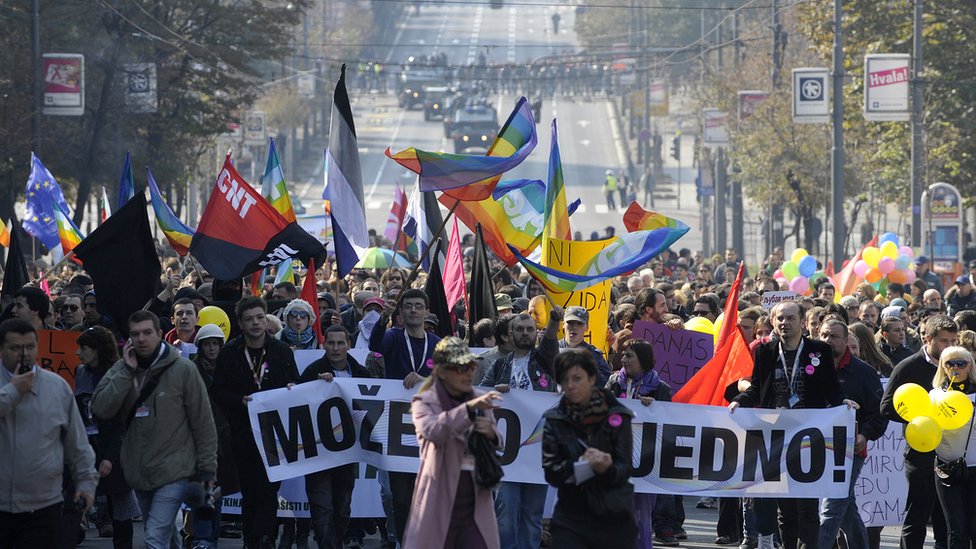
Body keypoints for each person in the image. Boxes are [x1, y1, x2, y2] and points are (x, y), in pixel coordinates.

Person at [730, 301, 854, 549]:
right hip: (774, 435)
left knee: (807, 504)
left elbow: (831, 388)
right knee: (784, 507)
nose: (784, 323)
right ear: (773, 322)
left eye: (790, 318)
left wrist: (843, 402)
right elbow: (757, 388)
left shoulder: (818, 350)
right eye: (780, 319)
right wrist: (740, 400)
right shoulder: (765, 352)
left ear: (802, 322)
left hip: (808, 436)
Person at [91, 310, 218, 549]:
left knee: (153, 537)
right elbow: (100, 407)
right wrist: (127, 372)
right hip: (139, 470)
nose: (141, 339)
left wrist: (208, 471)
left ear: (159, 334)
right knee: (163, 531)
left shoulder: (183, 370)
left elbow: (203, 422)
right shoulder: (122, 369)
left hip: (175, 469)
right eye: (135, 334)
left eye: (147, 333)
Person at [212, 296, 300, 549]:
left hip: (276, 433)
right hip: (243, 433)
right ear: (240, 323)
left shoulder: (281, 351)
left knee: (270, 489)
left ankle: (264, 538)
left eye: (260, 317)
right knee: (251, 491)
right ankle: (254, 539)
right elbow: (218, 391)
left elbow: (294, 382)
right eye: (249, 319)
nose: (256, 323)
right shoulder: (230, 353)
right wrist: (239, 400)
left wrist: (293, 387)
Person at [0, 319, 97, 548]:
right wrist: (12, 392)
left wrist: (85, 483)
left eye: (30, 347)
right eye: (15, 348)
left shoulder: (57, 387)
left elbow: (77, 443)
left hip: (43, 504)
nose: (24, 354)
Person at [405, 337, 502, 549]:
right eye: (460, 368)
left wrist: (492, 435)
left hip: (477, 500)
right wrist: (468, 410)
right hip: (438, 500)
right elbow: (434, 432)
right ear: (441, 371)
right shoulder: (423, 401)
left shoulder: (479, 399)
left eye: (471, 366)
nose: (468, 373)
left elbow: (497, 439)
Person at [480, 310, 562, 549]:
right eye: (520, 329)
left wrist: (554, 322)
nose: (525, 333)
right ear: (509, 334)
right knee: (505, 513)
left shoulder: (545, 361)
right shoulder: (498, 366)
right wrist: (495, 389)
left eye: (530, 329)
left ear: (536, 333)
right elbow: (480, 395)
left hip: (537, 452)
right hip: (507, 454)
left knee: (532, 515)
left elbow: (549, 345)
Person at [542, 349, 637, 548]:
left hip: (613, 515)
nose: (570, 385)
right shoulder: (555, 419)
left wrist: (606, 469)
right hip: (570, 518)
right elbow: (552, 472)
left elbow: (624, 468)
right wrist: (582, 466)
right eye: (564, 380)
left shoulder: (619, 415)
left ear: (592, 378)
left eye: (577, 378)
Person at [369, 288, 441, 545]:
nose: (413, 310)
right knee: (400, 497)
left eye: (417, 306)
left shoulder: (437, 343)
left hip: (426, 428)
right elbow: (376, 346)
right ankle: (403, 541)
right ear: (400, 312)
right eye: (408, 306)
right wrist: (382, 319)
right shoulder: (394, 337)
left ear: (426, 311)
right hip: (397, 428)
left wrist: (427, 379)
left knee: (425, 494)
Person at [881, 314, 957, 549]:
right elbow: (886, 407)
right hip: (920, 452)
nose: (950, 347)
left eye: (954, 341)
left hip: (951, 452)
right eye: (944, 341)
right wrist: (918, 415)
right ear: (927, 338)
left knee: (948, 520)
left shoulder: (958, 366)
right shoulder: (909, 366)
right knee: (918, 515)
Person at [298, 325, 372, 548]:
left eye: (341, 343)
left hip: (347, 454)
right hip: (318, 454)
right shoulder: (312, 372)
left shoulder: (362, 373)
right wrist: (312, 386)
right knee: (321, 508)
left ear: (349, 345)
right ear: (324, 344)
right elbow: (295, 401)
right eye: (331, 343)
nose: (336, 348)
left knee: (341, 509)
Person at [816, 319, 885, 549]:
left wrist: (864, 436)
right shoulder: (811, 369)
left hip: (849, 452)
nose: (828, 340)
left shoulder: (863, 373)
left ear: (847, 341)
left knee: (832, 507)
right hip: (815, 448)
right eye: (824, 334)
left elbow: (879, 414)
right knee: (847, 510)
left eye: (834, 336)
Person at [75, 326, 140, 547]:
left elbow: (121, 421)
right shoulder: (81, 373)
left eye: (83, 348)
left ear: (97, 349)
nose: (78, 353)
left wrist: (111, 456)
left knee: (120, 504)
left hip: (115, 447)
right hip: (88, 445)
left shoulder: (118, 372)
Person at [606, 338, 672, 549]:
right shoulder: (614, 382)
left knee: (641, 516)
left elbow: (670, 422)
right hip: (616, 459)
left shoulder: (661, 389)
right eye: (623, 354)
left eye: (629, 355)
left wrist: (655, 408)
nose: (623, 359)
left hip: (645, 462)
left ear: (643, 360)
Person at [931, 346, 976, 549]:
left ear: (970, 366)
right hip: (947, 468)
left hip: (975, 467)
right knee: (956, 531)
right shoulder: (933, 395)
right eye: (950, 363)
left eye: (961, 363)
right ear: (943, 367)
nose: (956, 367)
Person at [558, 306, 612, 387]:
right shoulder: (552, 349)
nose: (574, 327)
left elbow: (607, 385)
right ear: (563, 325)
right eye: (570, 322)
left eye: (579, 323)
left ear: (587, 327)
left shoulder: (594, 355)